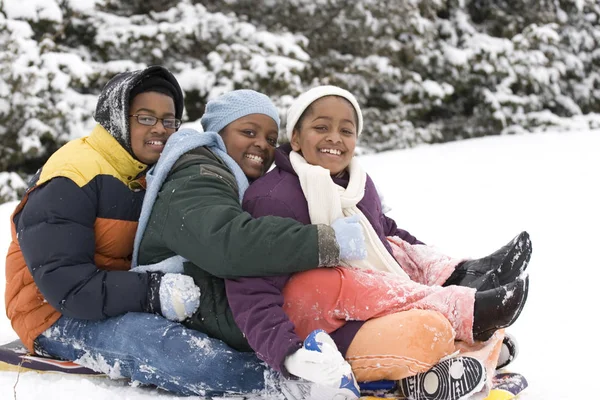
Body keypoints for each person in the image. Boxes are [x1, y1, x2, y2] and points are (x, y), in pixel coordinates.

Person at [4, 68, 364, 399]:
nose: (160, 129)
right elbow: (67, 287)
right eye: (146, 118)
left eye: (169, 120)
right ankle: (300, 387)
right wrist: (152, 291)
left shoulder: (151, 168)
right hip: (54, 313)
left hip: (115, 294)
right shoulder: (71, 176)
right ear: (116, 116)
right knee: (186, 356)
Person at [225, 85, 531, 399]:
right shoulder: (274, 198)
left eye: (347, 130)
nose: (335, 137)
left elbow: (386, 234)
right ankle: (466, 327)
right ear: (297, 138)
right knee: (430, 329)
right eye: (321, 128)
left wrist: (433, 266)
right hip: (320, 328)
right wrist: (290, 353)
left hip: (371, 309)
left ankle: (464, 287)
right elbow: (251, 288)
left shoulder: (357, 184)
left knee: (399, 250)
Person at [132, 89, 370, 399]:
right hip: (182, 305)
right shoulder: (198, 174)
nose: (263, 144)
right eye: (248, 132)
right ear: (217, 133)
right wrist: (327, 241)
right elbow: (229, 244)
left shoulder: (237, 179)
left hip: (214, 301)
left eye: (271, 139)